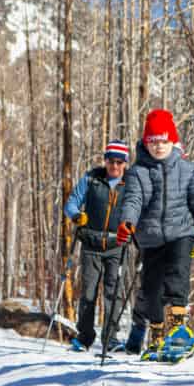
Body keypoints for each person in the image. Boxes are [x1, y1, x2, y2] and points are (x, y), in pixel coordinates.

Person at [116, 109, 194, 359]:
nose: (158, 146)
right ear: (145, 142)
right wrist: (127, 221)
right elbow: (132, 199)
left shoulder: (188, 171)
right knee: (151, 291)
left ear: (172, 140)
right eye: (153, 141)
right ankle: (158, 334)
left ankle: (177, 330)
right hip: (150, 238)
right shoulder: (138, 172)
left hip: (181, 234)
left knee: (177, 277)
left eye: (163, 140)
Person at [62, 140, 131, 352]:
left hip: (116, 245)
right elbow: (71, 202)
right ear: (106, 160)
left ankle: (110, 338)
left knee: (114, 293)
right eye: (111, 161)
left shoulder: (130, 184)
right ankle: (84, 338)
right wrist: (76, 215)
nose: (115, 166)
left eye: (120, 162)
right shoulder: (92, 179)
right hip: (91, 244)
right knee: (89, 294)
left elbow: (138, 210)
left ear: (125, 163)